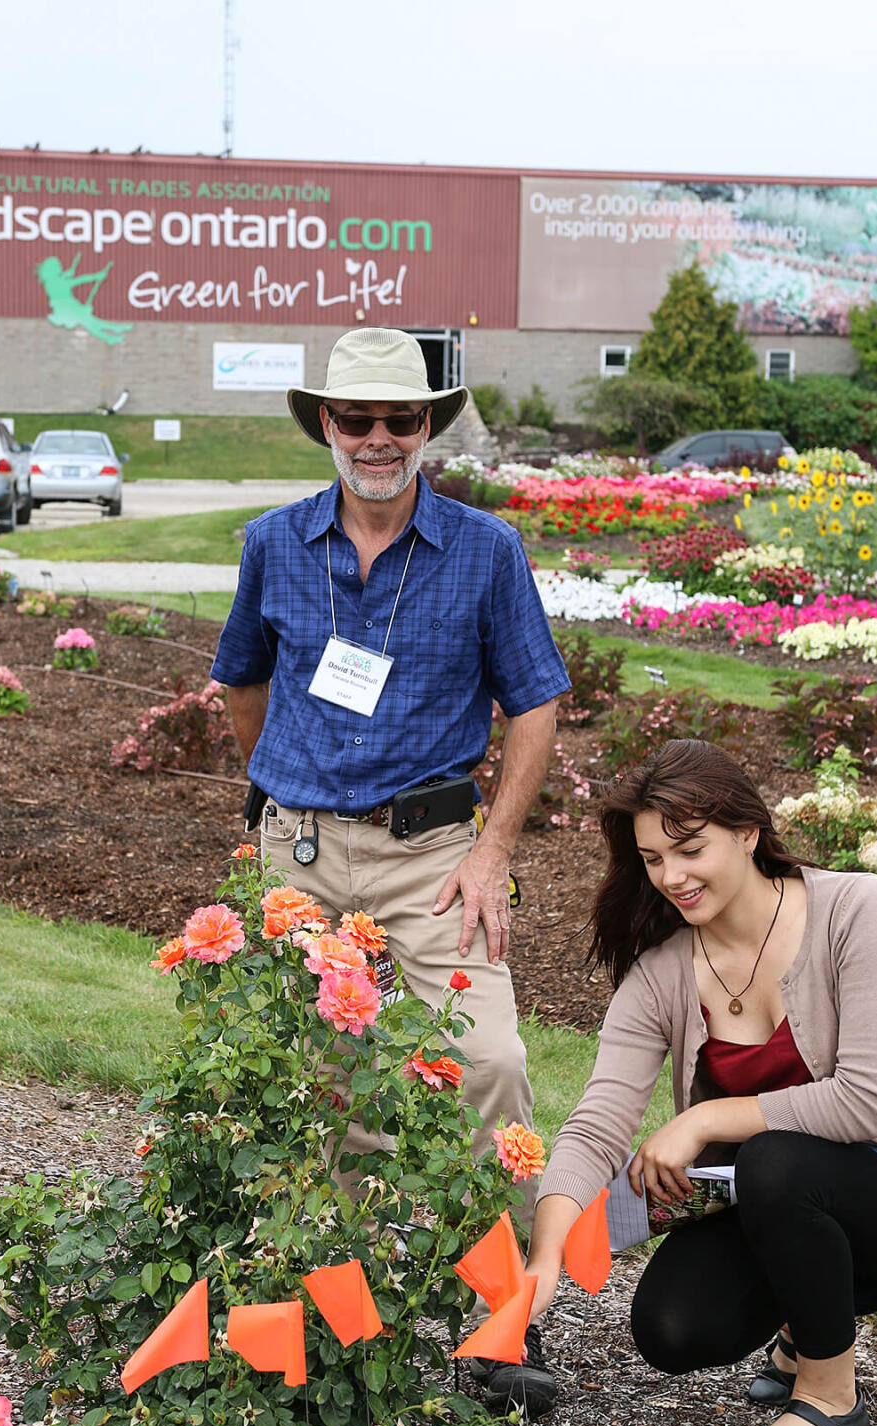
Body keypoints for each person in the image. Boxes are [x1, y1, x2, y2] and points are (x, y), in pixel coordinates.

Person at [498, 739, 877, 1426]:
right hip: (774, 1193)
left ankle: (830, 1397)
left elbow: (865, 1102)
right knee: (672, 1328)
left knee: (773, 1160)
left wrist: (703, 1119)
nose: (670, 876)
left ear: (746, 833)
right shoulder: (663, 972)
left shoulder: (854, 908)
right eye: (652, 858)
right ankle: (804, 1321)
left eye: (690, 849)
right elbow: (599, 1121)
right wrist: (543, 1258)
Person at [210, 326, 570, 1219]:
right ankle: (354, 1269)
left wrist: (492, 852)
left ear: (426, 427)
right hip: (300, 854)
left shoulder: (486, 549)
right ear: (326, 425)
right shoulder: (273, 543)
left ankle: (504, 1281)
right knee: (326, 1072)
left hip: (434, 860)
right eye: (357, 418)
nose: (379, 438)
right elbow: (243, 680)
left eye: (399, 419)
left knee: (489, 1061)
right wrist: (282, 790)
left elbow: (534, 705)